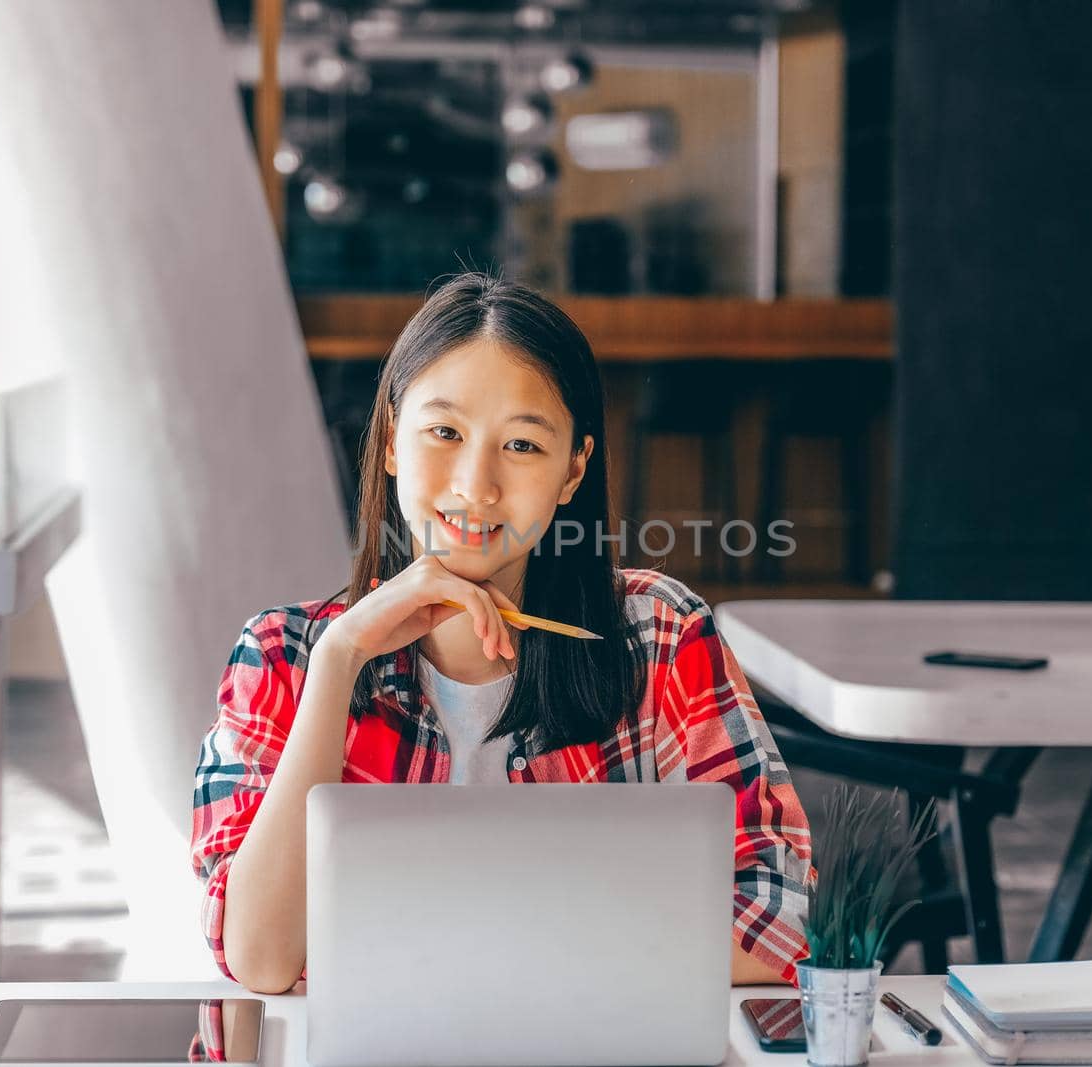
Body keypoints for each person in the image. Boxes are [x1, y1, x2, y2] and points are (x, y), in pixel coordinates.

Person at [191, 272, 811, 994]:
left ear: (573, 469)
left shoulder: (660, 634)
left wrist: (486, 958)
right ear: (392, 440)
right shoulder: (284, 654)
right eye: (445, 432)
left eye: (521, 445)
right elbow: (261, 956)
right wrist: (340, 659)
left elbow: (782, 916)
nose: (476, 486)